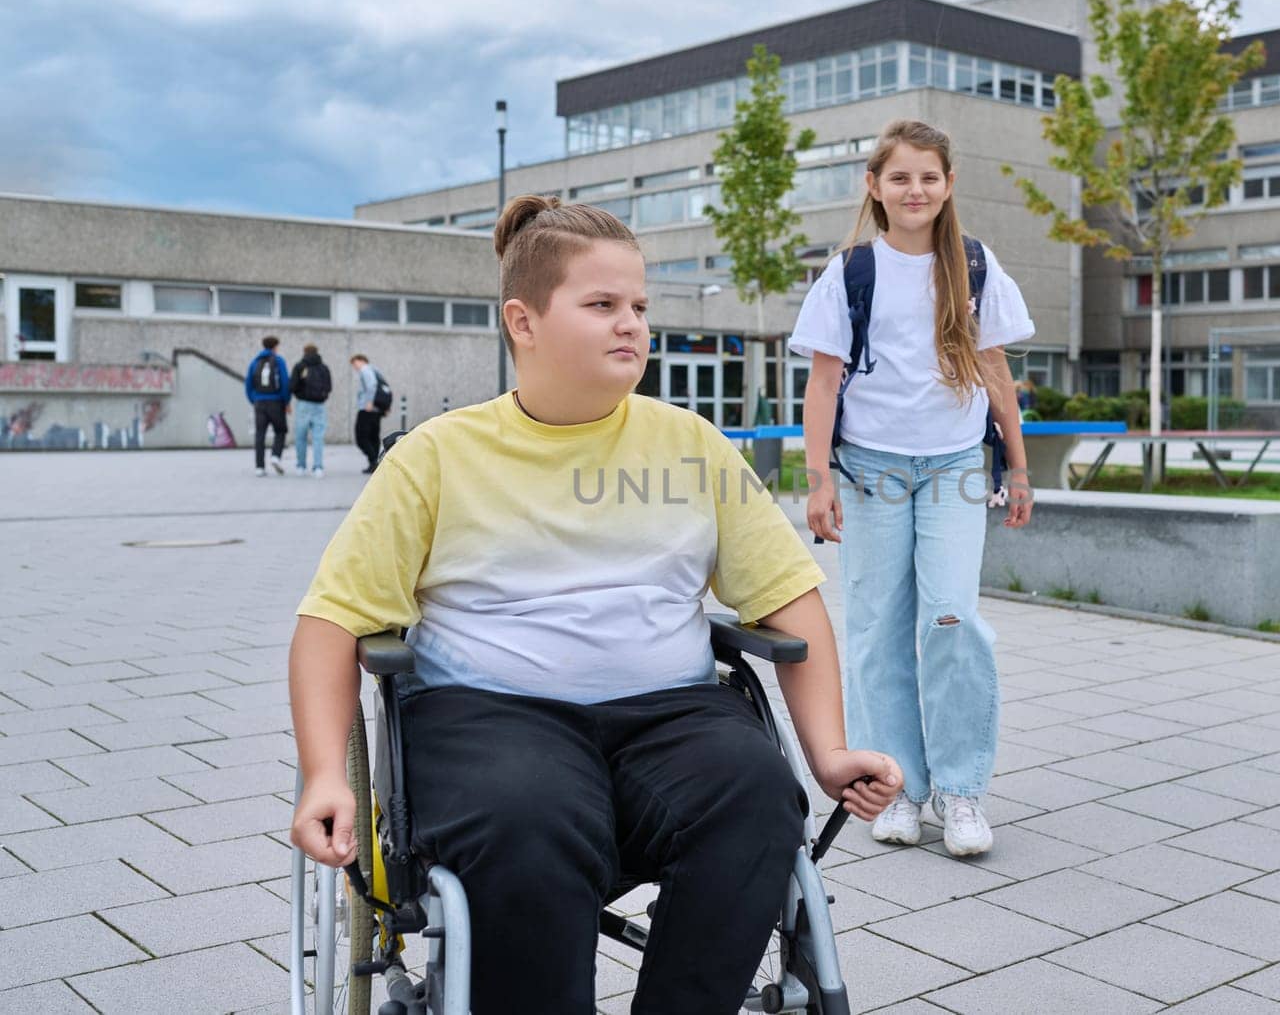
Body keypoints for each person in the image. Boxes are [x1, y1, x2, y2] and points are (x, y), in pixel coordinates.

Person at [288, 194, 902, 1014]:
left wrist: (828, 753)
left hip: (671, 713)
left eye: (640, 306)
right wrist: (326, 773)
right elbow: (331, 622)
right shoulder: (435, 457)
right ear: (524, 321)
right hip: (492, 715)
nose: (632, 325)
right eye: (603, 304)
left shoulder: (689, 444)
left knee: (756, 797)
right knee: (527, 820)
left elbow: (789, 600)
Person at [791, 119, 1036, 857]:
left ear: (948, 184)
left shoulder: (974, 266)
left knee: (952, 616)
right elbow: (823, 383)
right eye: (899, 177)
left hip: (954, 468)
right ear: (874, 187)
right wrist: (818, 480)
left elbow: (995, 371)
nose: (915, 189)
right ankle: (897, 786)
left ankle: (960, 789)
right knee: (876, 631)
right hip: (869, 472)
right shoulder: (850, 272)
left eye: (928, 176)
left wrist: (1016, 467)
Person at [244, 335, 290, 476]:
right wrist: (286, 401)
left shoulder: (254, 362)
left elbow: (248, 385)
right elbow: (284, 383)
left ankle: (259, 467)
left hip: (259, 402)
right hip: (276, 402)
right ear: (275, 346)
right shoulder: (279, 361)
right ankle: (275, 456)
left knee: (260, 435)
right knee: (280, 431)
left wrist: (255, 400)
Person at [289, 343, 332, 478]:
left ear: (304, 352)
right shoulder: (324, 367)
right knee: (318, 438)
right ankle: (318, 467)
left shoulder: (300, 366)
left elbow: (292, 386)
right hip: (319, 406)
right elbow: (329, 386)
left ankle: (301, 466)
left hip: (303, 405)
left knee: (301, 437)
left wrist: (299, 394)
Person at [349, 353, 382, 473]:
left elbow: (372, 385)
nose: (355, 367)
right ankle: (374, 463)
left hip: (367, 409)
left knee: (361, 437)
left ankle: (374, 461)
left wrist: (369, 402)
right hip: (377, 409)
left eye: (354, 363)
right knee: (373, 436)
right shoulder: (375, 370)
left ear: (360, 360)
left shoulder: (365, 369)